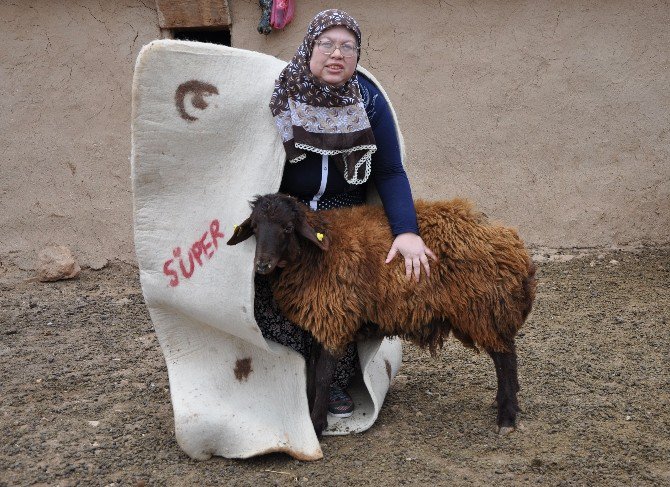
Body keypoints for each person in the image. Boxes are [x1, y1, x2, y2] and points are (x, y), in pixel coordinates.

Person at [255, 9, 435, 418]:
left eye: (347, 46)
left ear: (357, 54)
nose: (337, 54)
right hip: (287, 219)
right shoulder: (279, 94)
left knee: (347, 303)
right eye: (327, 44)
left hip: (345, 220)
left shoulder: (368, 99)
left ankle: (332, 382)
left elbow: (389, 170)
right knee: (267, 301)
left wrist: (407, 231)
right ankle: (294, 372)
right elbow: (249, 158)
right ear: (309, 48)